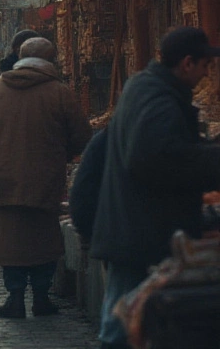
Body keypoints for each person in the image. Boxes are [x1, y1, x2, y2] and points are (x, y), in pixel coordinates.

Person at [91, 27, 220, 349]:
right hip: (142, 232)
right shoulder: (157, 96)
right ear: (187, 63)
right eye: (205, 66)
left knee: (124, 317)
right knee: (124, 323)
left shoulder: (147, 88)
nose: (206, 74)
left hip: (136, 229)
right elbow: (155, 156)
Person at [0, 38, 91, 318]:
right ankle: (40, 297)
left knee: (9, 239)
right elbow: (82, 136)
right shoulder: (59, 92)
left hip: (1, 178)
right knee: (42, 240)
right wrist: (60, 152)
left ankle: (14, 297)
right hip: (44, 179)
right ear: (51, 60)